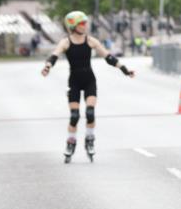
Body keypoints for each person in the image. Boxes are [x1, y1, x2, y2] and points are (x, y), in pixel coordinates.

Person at [41, 11, 136, 163]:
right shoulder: (66, 42)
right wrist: (47, 67)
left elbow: (108, 57)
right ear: (73, 26)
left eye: (85, 23)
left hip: (89, 81)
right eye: (81, 24)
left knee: (90, 113)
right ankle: (70, 143)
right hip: (74, 82)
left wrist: (125, 70)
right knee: (74, 116)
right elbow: (54, 56)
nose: (85, 26)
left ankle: (90, 140)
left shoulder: (91, 41)